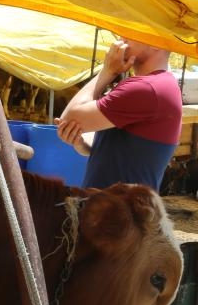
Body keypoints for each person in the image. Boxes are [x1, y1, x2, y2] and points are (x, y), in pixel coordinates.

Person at [55, 37, 181, 190]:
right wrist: (80, 142)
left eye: (130, 33)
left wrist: (108, 70)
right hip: (120, 209)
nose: (121, 39)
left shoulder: (146, 88)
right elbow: (114, 148)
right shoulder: (158, 85)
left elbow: (69, 118)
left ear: (157, 42)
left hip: (117, 211)